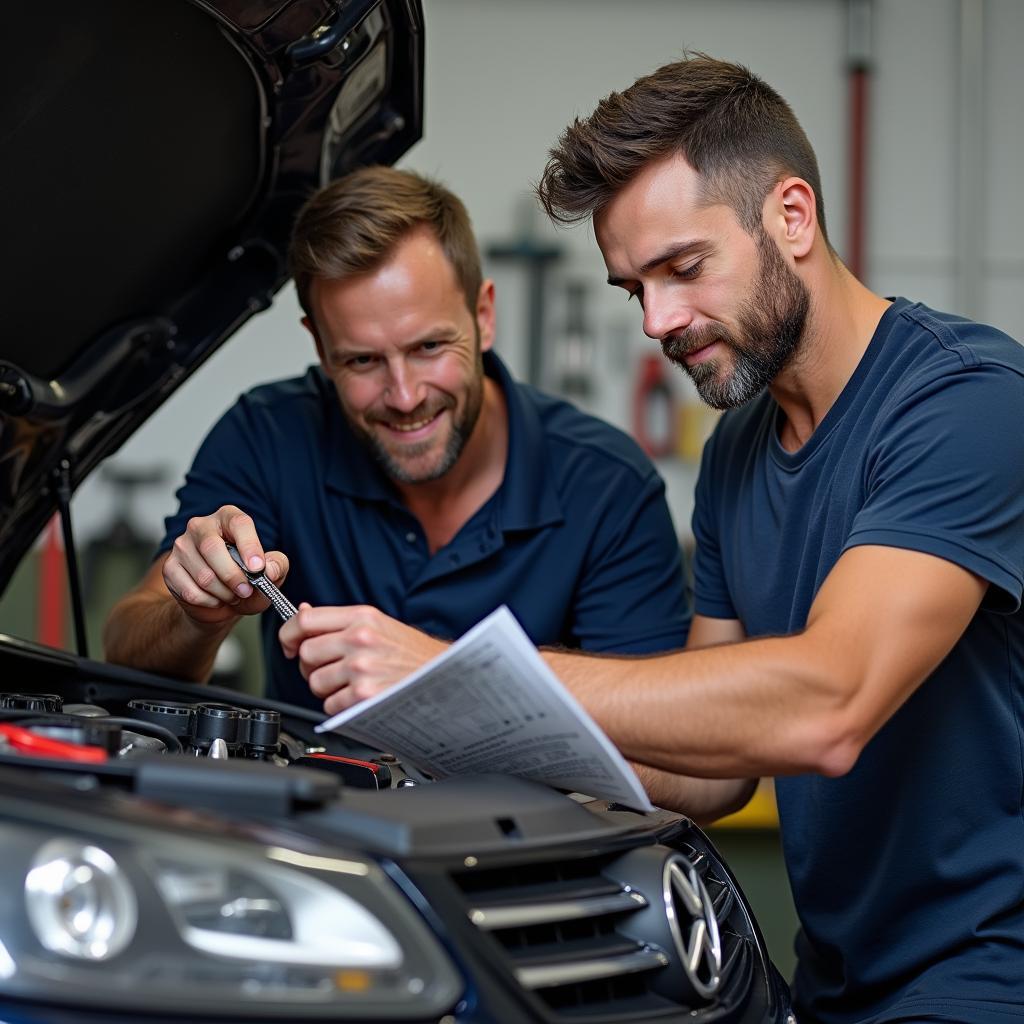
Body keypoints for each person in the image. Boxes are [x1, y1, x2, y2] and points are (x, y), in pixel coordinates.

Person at [288, 57, 1024, 1024]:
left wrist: (465, 663)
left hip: (988, 981)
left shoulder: (969, 402)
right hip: (837, 987)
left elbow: (828, 704)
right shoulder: (737, 452)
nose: (660, 322)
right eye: (635, 287)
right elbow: (714, 774)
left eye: (684, 268)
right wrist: (455, 724)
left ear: (792, 217)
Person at [103, 166, 690, 711]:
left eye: (428, 347)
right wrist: (196, 617)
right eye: (362, 360)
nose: (405, 397)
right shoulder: (267, 435)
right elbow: (127, 644)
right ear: (319, 349)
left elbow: (666, 745)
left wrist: (443, 674)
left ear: (484, 316)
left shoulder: (609, 485)